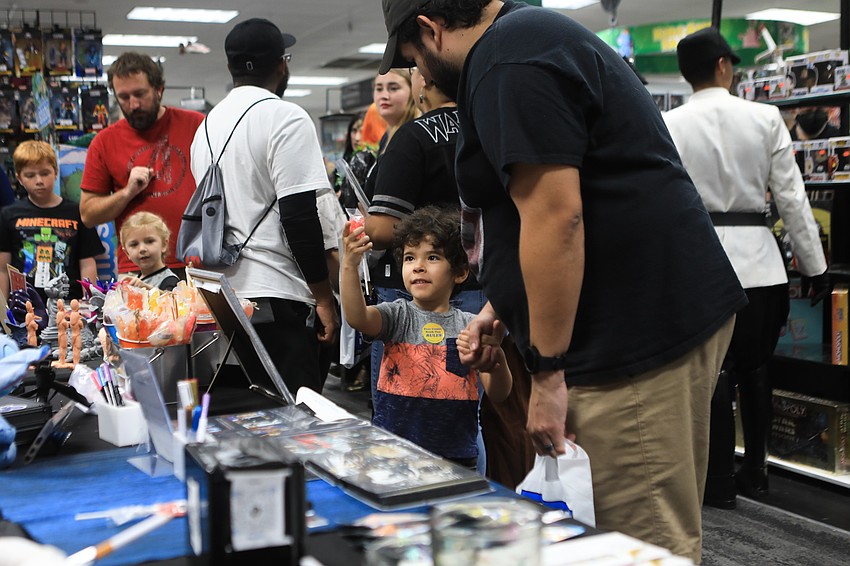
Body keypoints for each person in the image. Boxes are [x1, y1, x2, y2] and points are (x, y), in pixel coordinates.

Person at [381, 1, 747, 561]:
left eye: (415, 61)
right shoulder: (520, 43)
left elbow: (556, 217)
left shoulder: (507, 59)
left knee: (636, 539)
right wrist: (501, 306)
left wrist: (548, 374)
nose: (423, 78)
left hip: (632, 334)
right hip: (633, 314)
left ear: (431, 30)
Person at [664, 27, 829, 509]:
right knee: (756, 370)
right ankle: (755, 473)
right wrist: (814, 265)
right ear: (722, 65)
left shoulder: (670, 124)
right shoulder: (764, 117)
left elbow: (665, 205)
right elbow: (793, 198)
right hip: (759, 263)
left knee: (708, 373)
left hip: (698, 265)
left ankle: (712, 480)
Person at [190, 18, 337, 395]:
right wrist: (323, 297)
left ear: (230, 67)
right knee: (298, 424)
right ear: (282, 64)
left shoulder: (204, 129)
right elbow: (299, 217)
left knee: (246, 423)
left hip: (223, 297)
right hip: (280, 295)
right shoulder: (286, 117)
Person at [340, 206, 512, 468]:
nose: (418, 266)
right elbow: (357, 317)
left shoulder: (471, 327)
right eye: (410, 258)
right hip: (393, 454)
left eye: (432, 258)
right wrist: (349, 266)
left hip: (455, 460)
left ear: (460, 272)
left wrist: (494, 359)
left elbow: (499, 393)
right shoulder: (397, 315)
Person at [79, 52, 205, 276]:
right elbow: (88, 215)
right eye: (124, 97)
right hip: (139, 269)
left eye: (140, 94)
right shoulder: (104, 142)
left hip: (197, 262)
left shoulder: (196, 125)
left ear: (159, 90)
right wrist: (127, 192)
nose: (133, 104)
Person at [0, 141, 102, 303]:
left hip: (69, 305)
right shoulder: (9, 214)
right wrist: (3, 315)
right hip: (23, 307)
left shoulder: (77, 212)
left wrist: (90, 305)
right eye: (30, 175)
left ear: (56, 172)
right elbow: (2, 269)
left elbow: (87, 263)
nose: (39, 181)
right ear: (19, 178)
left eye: (45, 173)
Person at [119, 211, 180, 291]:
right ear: (127, 253)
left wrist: (147, 289)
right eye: (134, 244)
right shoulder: (135, 281)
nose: (142, 249)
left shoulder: (170, 281)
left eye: (149, 241)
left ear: (164, 245)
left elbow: (172, 299)